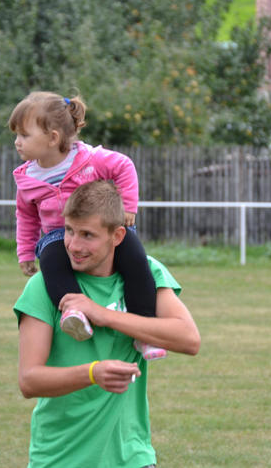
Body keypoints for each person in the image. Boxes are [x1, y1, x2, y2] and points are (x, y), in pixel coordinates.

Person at [14, 180, 201, 468]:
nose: (73, 245)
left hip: (133, 457)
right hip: (60, 458)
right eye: (69, 231)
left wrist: (102, 314)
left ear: (117, 235)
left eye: (87, 235)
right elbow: (29, 381)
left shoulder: (147, 274)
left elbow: (189, 339)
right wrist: (92, 373)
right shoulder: (43, 286)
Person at [9, 91, 164, 360]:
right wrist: (25, 253)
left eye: (24, 135)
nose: (17, 142)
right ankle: (75, 313)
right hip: (57, 235)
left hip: (103, 228)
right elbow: (26, 217)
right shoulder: (27, 179)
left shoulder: (90, 159)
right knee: (51, 263)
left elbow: (124, 166)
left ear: (53, 138)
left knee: (137, 262)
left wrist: (128, 206)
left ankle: (145, 330)